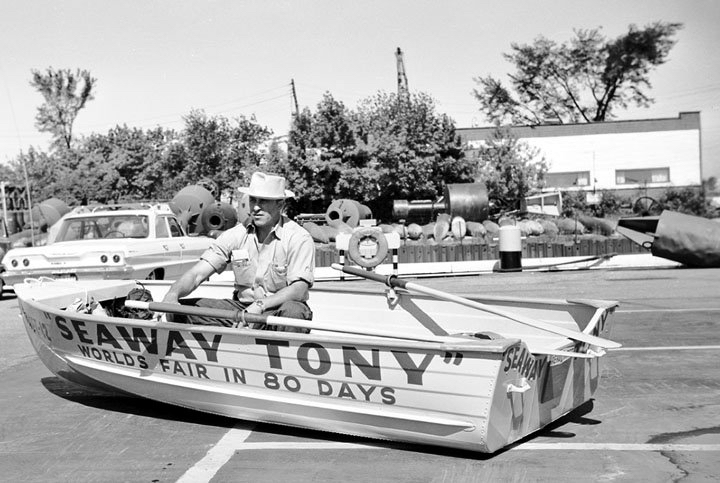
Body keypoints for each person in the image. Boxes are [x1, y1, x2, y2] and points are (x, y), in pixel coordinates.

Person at [161, 172, 315, 332]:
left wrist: (260, 306)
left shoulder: (298, 237)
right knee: (180, 311)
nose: (256, 207)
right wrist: (173, 294)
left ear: (280, 204)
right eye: (253, 199)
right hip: (241, 309)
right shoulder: (235, 235)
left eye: (264, 201)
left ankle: (282, 355)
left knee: (294, 312)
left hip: (276, 310)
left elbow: (299, 289)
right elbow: (196, 274)